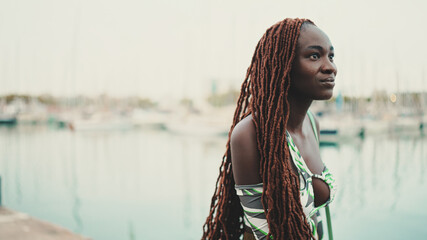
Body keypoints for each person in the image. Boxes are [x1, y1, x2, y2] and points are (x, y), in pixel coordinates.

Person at [202, 18, 337, 240]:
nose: (330, 67)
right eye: (314, 55)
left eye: (331, 56)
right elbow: (262, 233)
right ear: (284, 64)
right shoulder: (250, 134)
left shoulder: (312, 123)